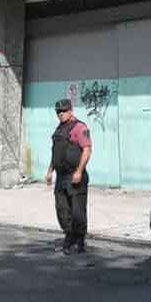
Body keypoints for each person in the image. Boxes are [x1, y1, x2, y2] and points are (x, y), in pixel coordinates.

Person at [45, 99, 92, 254]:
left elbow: (86, 150)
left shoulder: (79, 127)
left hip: (75, 175)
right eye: (58, 112)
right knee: (62, 210)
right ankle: (69, 235)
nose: (60, 114)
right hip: (61, 177)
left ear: (71, 111)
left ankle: (79, 240)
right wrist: (50, 171)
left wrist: (79, 171)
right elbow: (55, 152)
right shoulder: (59, 129)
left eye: (63, 111)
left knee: (78, 211)